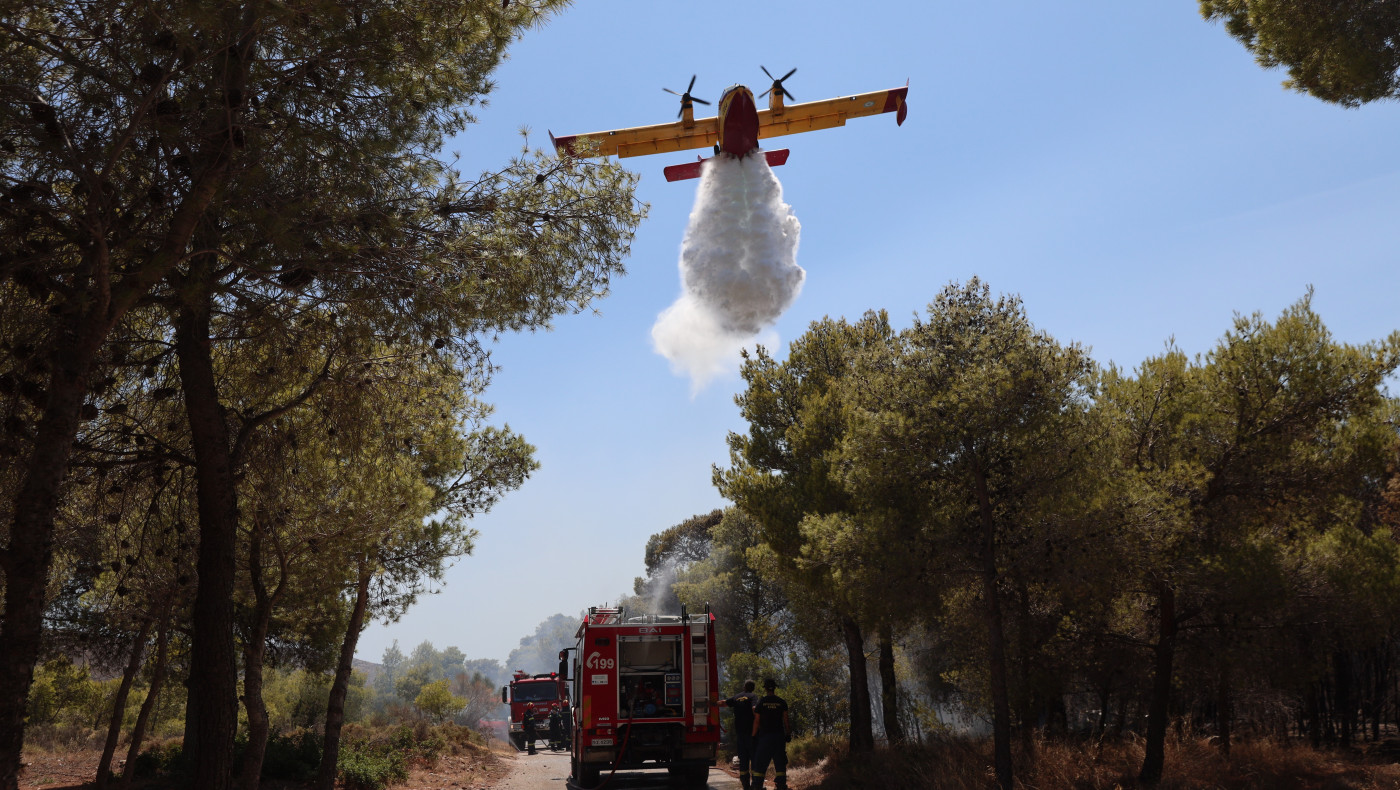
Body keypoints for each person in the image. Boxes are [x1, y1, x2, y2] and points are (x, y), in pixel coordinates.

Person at [750, 678, 790, 790]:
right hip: (779, 737)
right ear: (775, 688)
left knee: (760, 762)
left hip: (765, 738)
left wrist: (753, 736)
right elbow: (786, 720)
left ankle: (757, 785)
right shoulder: (781, 702)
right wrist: (788, 733)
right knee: (780, 762)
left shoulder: (761, 702)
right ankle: (781, 785)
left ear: (766, 689)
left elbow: (756, 721)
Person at [722, 680, 760, 790]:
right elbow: (754, 708)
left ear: (744, 687)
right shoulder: (753, 696)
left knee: (743, 760)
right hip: (751, 735)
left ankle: (745, 784)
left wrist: (711, 703)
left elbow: (723, 703)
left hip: (740, 735)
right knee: (754, 759)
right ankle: (755, 784)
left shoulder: (736, 697)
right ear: (753, 688)